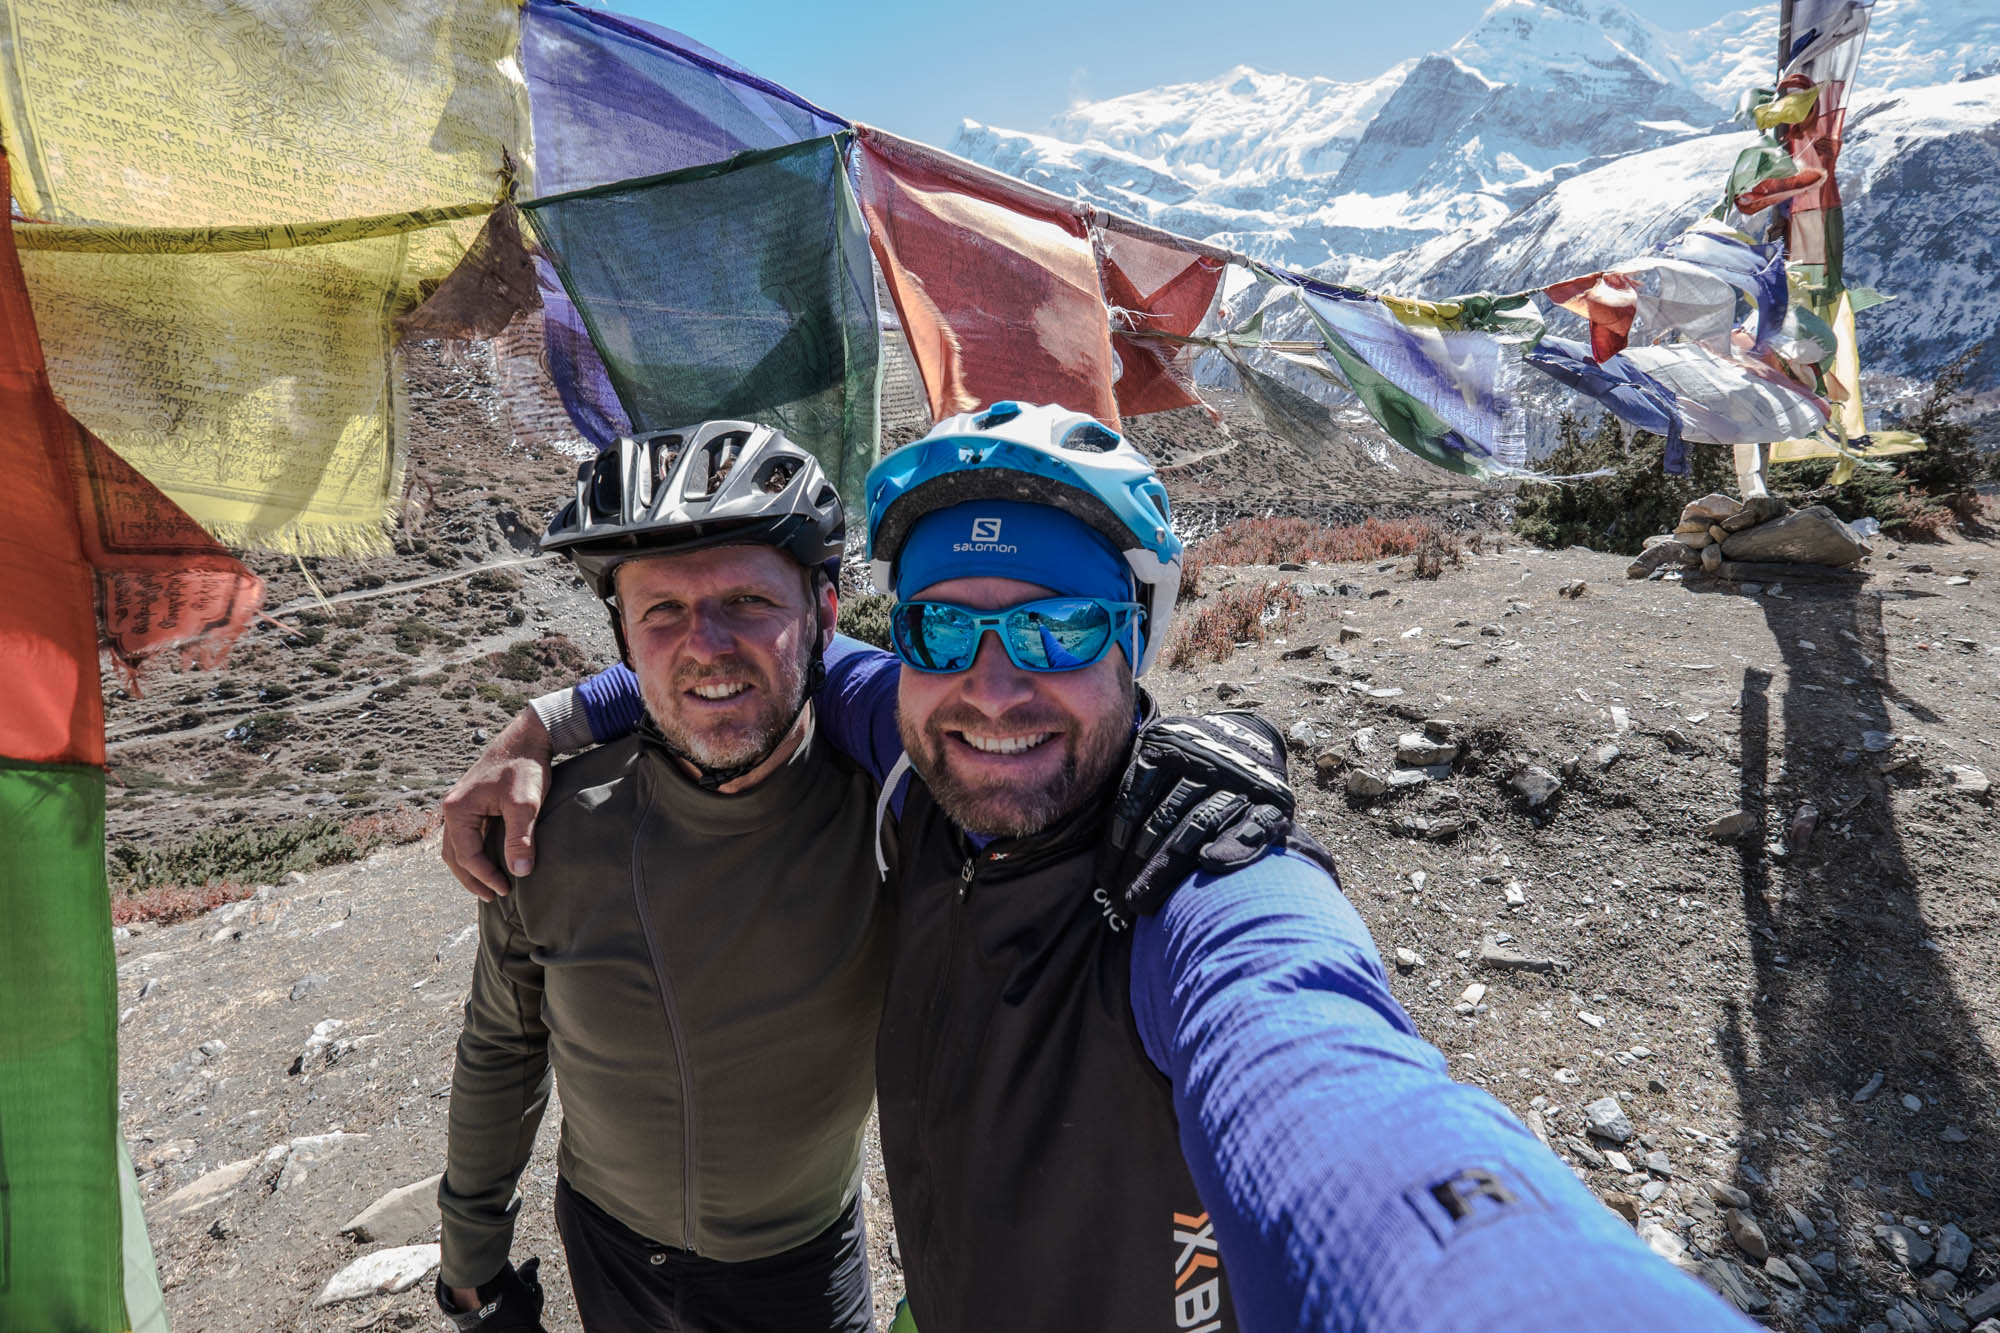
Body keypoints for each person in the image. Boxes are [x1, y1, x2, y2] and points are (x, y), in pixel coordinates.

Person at [448, 403, 1758, 1331]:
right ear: (897, 641)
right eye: (949, 625)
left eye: (1064, 627)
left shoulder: (1199, 887)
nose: (995, 687)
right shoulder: (906, 754)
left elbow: (1333, 1092)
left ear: (1139, 641)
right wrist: (541, 724)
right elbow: (717, 668)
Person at [435, 422, 884, 1333]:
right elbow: (502, 1045)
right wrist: (470, 1263)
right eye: (662, 613)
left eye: (749, 601)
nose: (705, 645)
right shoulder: (553, 826)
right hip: (607, 1251)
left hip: (801, 1269)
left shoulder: (886, 821)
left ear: (826, 613)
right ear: (624, 641)